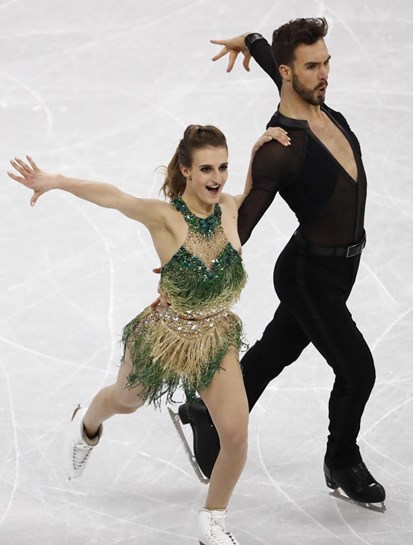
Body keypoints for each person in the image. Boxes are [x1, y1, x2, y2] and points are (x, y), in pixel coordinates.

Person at [7, 123, 290, 545]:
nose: (216, 178)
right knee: (124, 401)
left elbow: (251, 195)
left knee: (235, 435)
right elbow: (115, 198)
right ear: (187, 170)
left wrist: (255, 151)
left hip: (214, 337)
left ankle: (212, 520)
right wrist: (57, 182)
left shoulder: (229, 207)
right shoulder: (165, 217)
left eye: (223, 167)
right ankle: (85, 424)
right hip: (164, 336)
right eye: (207, 168)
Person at [175, 18, 386, 507]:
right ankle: (342, 460)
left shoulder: (314, 99)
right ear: (291, 74)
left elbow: (274, 62)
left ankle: (207, 414)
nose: (324, 73)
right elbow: (241, 225)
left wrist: (252, 42)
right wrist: (192, 268)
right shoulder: (279, 150)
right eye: (313, 66)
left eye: (327, 62)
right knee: (358, 372)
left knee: (274, 353)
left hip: (342, 268)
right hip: (308, 275)